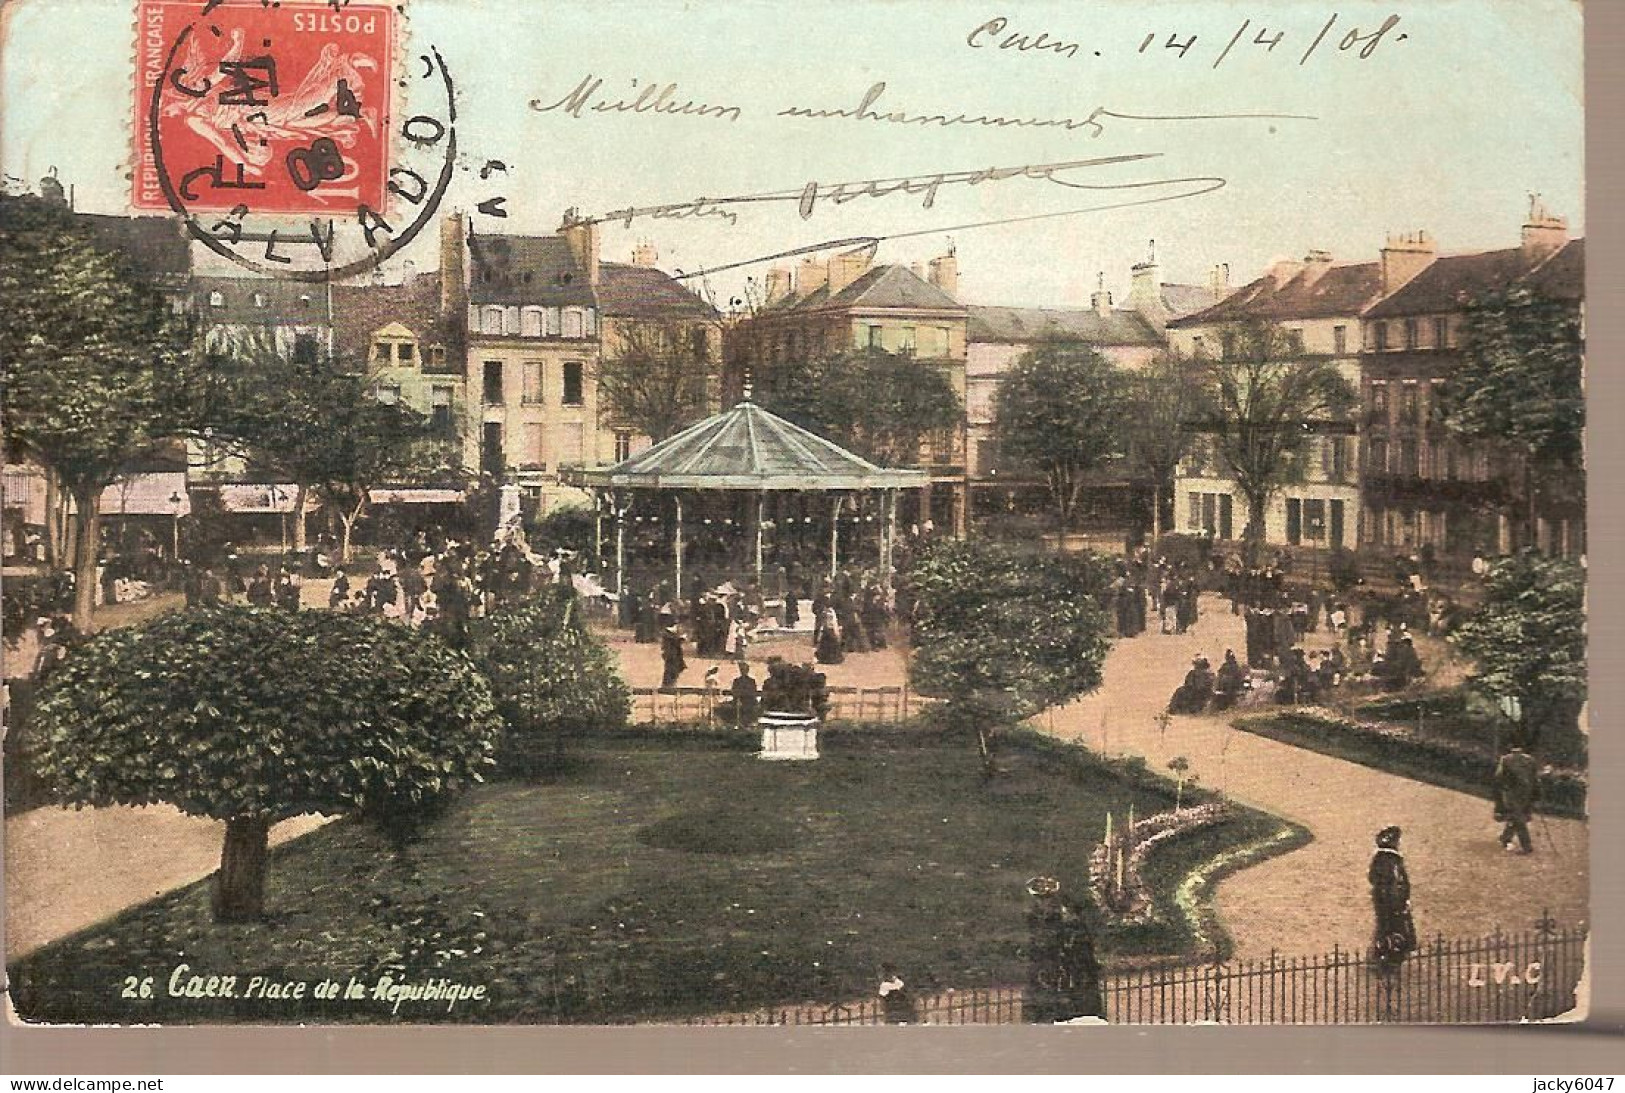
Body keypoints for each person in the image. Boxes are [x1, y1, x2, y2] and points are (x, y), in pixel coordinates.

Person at [1023, 876, 1104, 1023]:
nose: (1044, 901)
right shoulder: (1035, 913)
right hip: (1044, 957)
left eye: (1047, 898)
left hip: (1066, 958)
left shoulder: (1064, 915)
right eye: (1041, 898)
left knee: (1072, 989)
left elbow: (1075, 937)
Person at [1369, 826, 1416, 973]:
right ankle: (1391, 958)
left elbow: (1371, 878)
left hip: (1380, 900)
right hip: (1393, 902)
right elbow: (1399, 884)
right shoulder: (1394, 861)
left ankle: (1381, 955)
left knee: (1383, 927)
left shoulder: (1378, 859)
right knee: (1396, 928)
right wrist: (1403, 902)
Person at [1493, 741, 1539, 854]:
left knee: (1518, 818)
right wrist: (1535, 795)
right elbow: (1535, 779)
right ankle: (1505, 837)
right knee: (1516, 815)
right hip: (1526, 794)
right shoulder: (1531, 760)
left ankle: (1526, 846)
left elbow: (1498, 777)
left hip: (1511, 793)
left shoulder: (1506, 759)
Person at [659, 618, 687, 691]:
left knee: (674, 670)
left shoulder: (670, 635)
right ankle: (668, 685)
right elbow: (675, 642)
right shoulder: (668, 635)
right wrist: (681, 639)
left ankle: (671, 684)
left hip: (674, 656)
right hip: (671, 656)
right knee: (671, 670)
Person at [730, 661, 759, 728]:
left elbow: (754, 692)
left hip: (749, 701)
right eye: (742, 669)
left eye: (745, 669)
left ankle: (749, 723)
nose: (743, 671)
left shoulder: (751, 681)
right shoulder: (737, 681)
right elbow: (734, 692)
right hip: (739, 701)